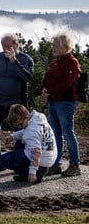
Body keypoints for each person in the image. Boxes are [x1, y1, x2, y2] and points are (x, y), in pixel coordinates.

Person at [0, 33, 34, 173]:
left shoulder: (25, 59)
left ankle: (19, 163)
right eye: (3, 46)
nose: (5, 49)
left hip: (17, 103)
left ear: (17, 45)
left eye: (8, 46)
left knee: (21, 133)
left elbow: (27, 78)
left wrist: (14, 61)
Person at [40, 33, 82, 177]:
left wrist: (49, 92)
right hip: (54, 102)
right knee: (55, 134)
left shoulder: (72, 63)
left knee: (68, 133)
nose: (53, 48)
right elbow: (47, 79)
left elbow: (66, 84)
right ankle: (55, 164)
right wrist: (44, 90)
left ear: (66, 47)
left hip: (66, 103)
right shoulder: (55, 62)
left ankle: (75, 164)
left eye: (56, 45)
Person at [0, 104, 55, 183]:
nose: (20, 127)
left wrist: (32, 172)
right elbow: (26, 131)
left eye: (20, 124)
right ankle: (39, 171)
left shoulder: (31, 132)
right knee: (22, 144)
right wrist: (13, 136)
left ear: (27, 117)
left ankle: (32, 174)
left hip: (41, 159)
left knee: (2, 160)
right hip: (49, 158)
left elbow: (36, 151)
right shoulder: (38, 119)